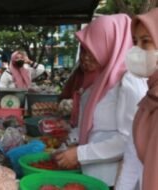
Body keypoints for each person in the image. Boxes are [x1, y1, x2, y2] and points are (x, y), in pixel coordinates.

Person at [54, 14, 148, 188]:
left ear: (111, 45)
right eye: (83, 49)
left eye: (93, 49)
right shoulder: (98, 81)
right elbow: (91, 127)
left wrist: (80, 154)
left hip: (114, 179)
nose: (85, 57)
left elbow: (130, 140)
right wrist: (69, 142)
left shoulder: (128, 81)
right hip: (92, 174)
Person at [115, 8, 158, 190]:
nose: (136, 50)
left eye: (146, 41)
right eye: (135, 42)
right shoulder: (147, 103)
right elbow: (131, 165)